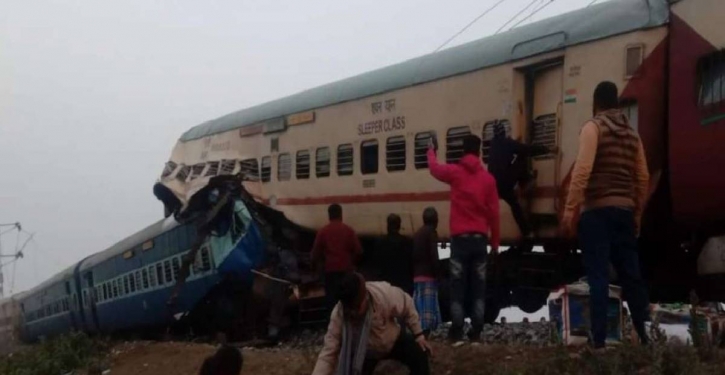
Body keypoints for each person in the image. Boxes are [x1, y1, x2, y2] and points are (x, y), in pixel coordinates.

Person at [561, 81, 650, 348]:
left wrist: (569, 210)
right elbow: (642, 177)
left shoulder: (593, 127)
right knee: (631, 275)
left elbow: (583, 170)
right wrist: (637, 213)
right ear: (618, 104)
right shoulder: (632, 135)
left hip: (597, 213)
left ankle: (598, 341)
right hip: (624, 211)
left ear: (596, 103)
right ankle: (645, 335)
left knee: (598, 276)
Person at [427, 134, 500, 342]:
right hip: (479, 241)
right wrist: (494, 244)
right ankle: (476, 331)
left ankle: (457, 330)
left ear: (463, 151)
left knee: (457, 286)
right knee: (478, 287)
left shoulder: (455, 173)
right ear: (478, 152)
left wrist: (431, 150)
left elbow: (434, 169)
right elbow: (494, 214)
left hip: (459, 241)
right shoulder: (488, 179)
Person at [313, 272, 432, 375]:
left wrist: (418, 334)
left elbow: (406, 304)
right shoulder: (339, 314)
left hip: (392, 340)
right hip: (363, 354)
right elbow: (329, 352)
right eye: (349, 309)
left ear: (364, 297)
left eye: (356, 308)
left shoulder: (382, 294)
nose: (353, 313)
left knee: (420, 356)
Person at [488, 122, 553, 239]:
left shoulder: (493, 145)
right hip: (506, 183)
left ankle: (527, 232)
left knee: (515, 205)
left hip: (493, 184)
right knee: (521, 157)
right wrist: (546, 149)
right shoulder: (508, 143)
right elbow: (526, 149)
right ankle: (526, 181)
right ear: (504, 132)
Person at [312, 204, 364, 311]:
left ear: (329, 215)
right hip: (346, 271)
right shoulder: (348, 230)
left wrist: (316, 268)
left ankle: (333, 323)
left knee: (332, 301)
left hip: (330, 272)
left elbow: (315, 254)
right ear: (341, 215)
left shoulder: (323, 231)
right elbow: (359, 251)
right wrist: (352, 263)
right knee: (348, 300)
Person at [412, 207, 443, 337]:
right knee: (428, 310)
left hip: (417, 276)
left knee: (419, 308)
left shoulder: (417, 233)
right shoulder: (431, 233)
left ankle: (419, 333)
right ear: (435, 220)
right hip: (428, 276)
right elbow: (433, 255)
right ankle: (425, 334)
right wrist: (438, 274)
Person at [373, 214, 414, 295]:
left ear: (387, 226)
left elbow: (377, 265)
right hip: (403, 284)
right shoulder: (407, 242)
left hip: (386, 285)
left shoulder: (380, 243)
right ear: (399, 226)